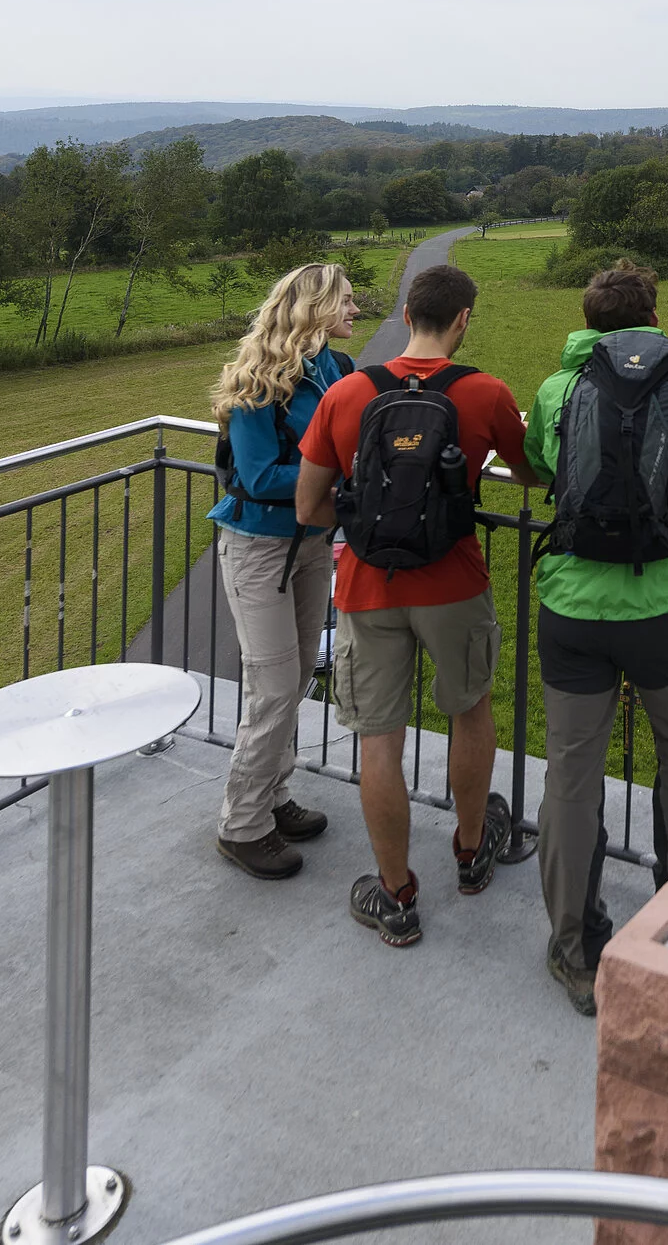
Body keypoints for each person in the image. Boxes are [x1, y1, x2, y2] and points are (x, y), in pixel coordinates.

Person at [525, 259, 668, 1015]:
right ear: (654, 316)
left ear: (588, 321)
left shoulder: (560, 389)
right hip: (662, 608)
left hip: (571, 610)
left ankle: (574, 950)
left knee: (571, 772)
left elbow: (539, 468)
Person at [293, 263, 538, 947]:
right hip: (455, 583)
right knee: (470, 713)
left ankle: (395, 894)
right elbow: (530, 473)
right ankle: (470, 851)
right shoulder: (484, 392)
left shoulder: (347, 394)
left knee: (380, 740)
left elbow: (309, 505)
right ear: (463, 320)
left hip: (368, 587)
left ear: (405, 313)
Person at [206, 262, 358, 880]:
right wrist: (340, 476)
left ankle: (273, 796)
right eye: (347, 300)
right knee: (271, 686)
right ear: (315, 307)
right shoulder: (257, 382)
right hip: (258, 548)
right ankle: (241, 825)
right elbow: (264, 475)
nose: (357, 308)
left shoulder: (338, 371)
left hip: (314, 542)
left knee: (293, 680)